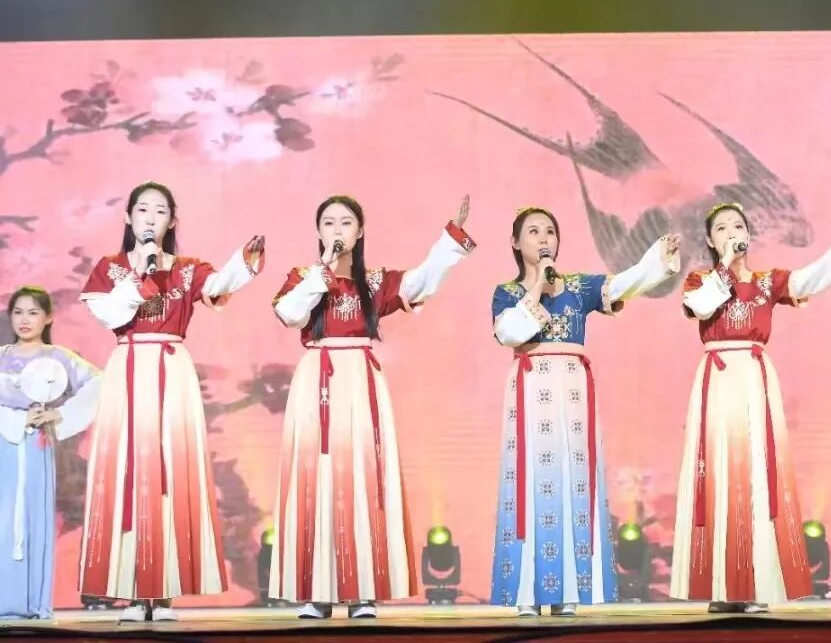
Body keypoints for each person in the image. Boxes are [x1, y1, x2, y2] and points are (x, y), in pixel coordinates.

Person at [270, 194, 476, 619]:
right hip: (317, 378)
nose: (338, 230)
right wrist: (322, 271)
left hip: (361, 379)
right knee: (318, 478)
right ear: (318, 232)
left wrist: (450, 239)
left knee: (363, 479)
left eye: (346, 222)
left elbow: (420, 282)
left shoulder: (376, 282)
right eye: (329, 223)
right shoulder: (303, 277)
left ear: (360, 231)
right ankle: (317, 592)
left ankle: (362, 590)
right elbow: (289, 313)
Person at [668, 202, 831, 613]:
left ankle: (758, 582)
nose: (731, 233)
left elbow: (808, 279)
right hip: (717, 377)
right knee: (718, 473)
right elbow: (702, 307)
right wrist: (725, 266)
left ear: (749, 234)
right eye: (721, 228)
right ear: (709, 240)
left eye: (738, 226)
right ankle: (722, 586)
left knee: (758, 474)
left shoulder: (767, 281)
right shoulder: (700, 280)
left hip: (754, 376)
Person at [78, 181, 265, 622]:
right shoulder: (110, 268)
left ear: (172, 221)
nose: (150, 218)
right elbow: (111, 314)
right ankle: (130, 589)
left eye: (160, 211)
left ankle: (163, 592)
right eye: (142, 209)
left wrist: (243, 263)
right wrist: (141, 273)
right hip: (129, 367)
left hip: (172, 368)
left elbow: (219, 284)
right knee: (129, 472)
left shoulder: (186, 269)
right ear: (128, 217)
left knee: (171, 473)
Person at [489, 206, 680, 617]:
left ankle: (569, 589)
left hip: (574, 393)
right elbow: (510, 333)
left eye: (550, 231)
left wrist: (656, 260)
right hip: (532, 387)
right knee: (531, 482)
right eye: (533, 231)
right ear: (515, 242)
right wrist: (537, 287)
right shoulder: (506, 292)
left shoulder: (578, 286)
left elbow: (624, 283)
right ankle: (527, 592)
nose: (544, 238)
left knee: (574, 480)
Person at [0, 286, 99, 619]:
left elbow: (99, 383)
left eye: (33, 312)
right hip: (2, 444)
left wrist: (60, 414)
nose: (25, 320)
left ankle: (32, 603)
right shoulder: (1, 356)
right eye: (18, 312)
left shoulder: (59, 357)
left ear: (48, 317)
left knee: (32, 519)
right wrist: (15, 418)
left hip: (35, 446)